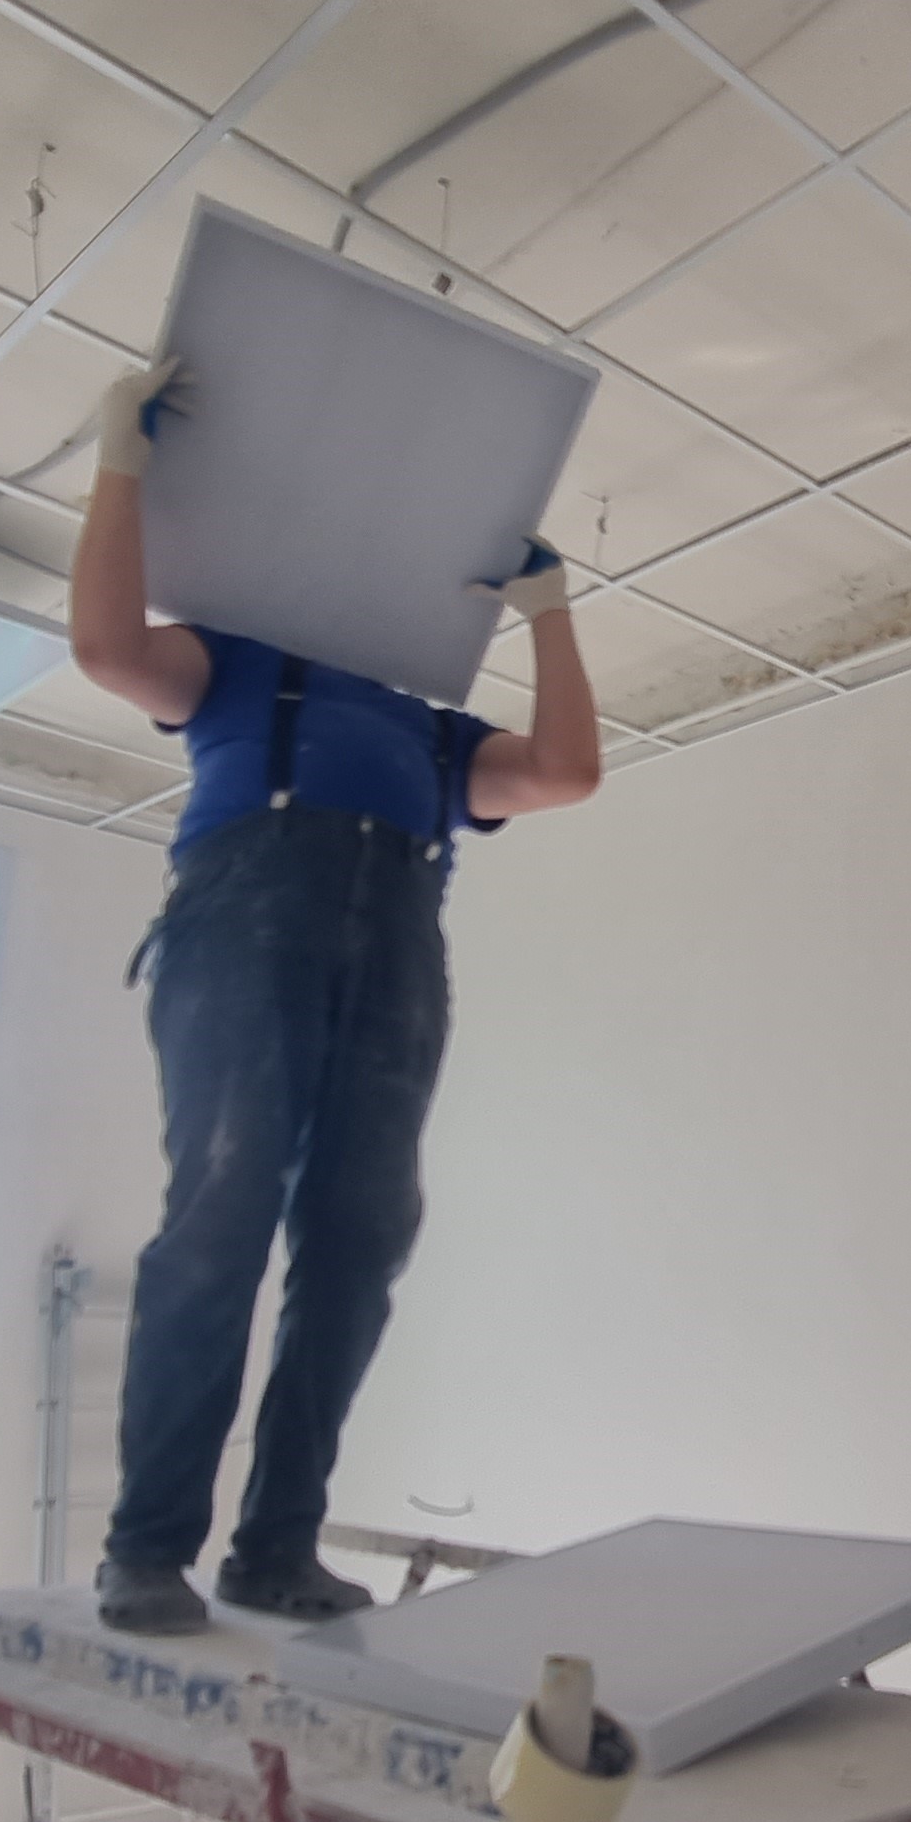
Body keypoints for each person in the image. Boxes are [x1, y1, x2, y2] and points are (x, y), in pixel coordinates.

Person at [65, 355, 605, 1634]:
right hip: (247, 918)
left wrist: (548, 611)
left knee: (362, 1237)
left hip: (398, 941)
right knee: (223, 1212)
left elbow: (569, 770)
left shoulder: (435, 729)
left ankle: (275, 1548)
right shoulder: (243, 660)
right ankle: (147, 1548)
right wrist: (122, 458)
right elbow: (106, 646)